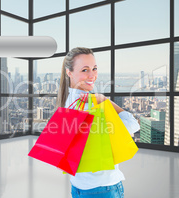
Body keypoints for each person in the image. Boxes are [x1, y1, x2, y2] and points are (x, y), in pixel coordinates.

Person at [56, 47, 140, 198]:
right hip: (103, 188)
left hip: (78, 185)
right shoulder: (92, 105)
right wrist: (105, 100)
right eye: (85, 70)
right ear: (69, 72)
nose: (92, 75)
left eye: (94, 68)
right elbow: (133, 124)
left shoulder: (68, 100)